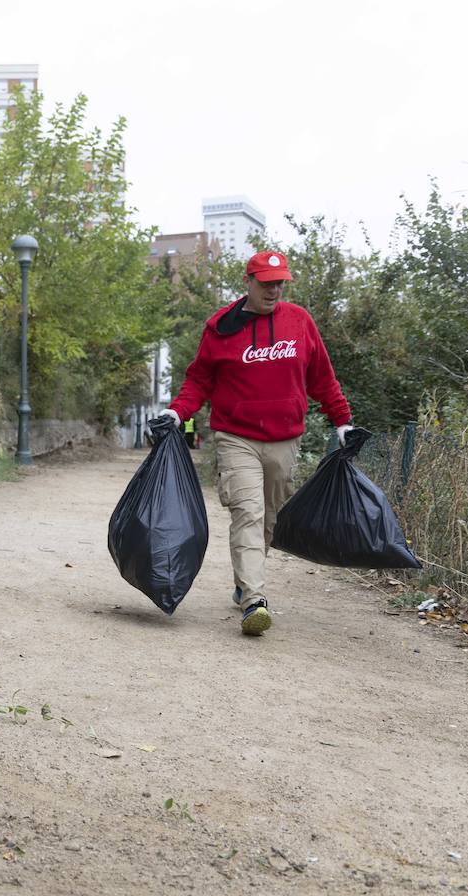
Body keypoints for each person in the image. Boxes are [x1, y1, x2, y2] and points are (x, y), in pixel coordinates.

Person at [158, 251, 353, 637]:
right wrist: (177, 412)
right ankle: (254, 599)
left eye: (279, 282)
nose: (274, 290)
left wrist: (343, 421)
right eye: (266, 283)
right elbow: (199, 380)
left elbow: (322, 378)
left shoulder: (300, 322)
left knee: (269, 518)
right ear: (248, 282)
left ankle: (245, 579)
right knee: (247, 512)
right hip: (236, 436)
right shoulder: (221, 328)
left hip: (285, 438)